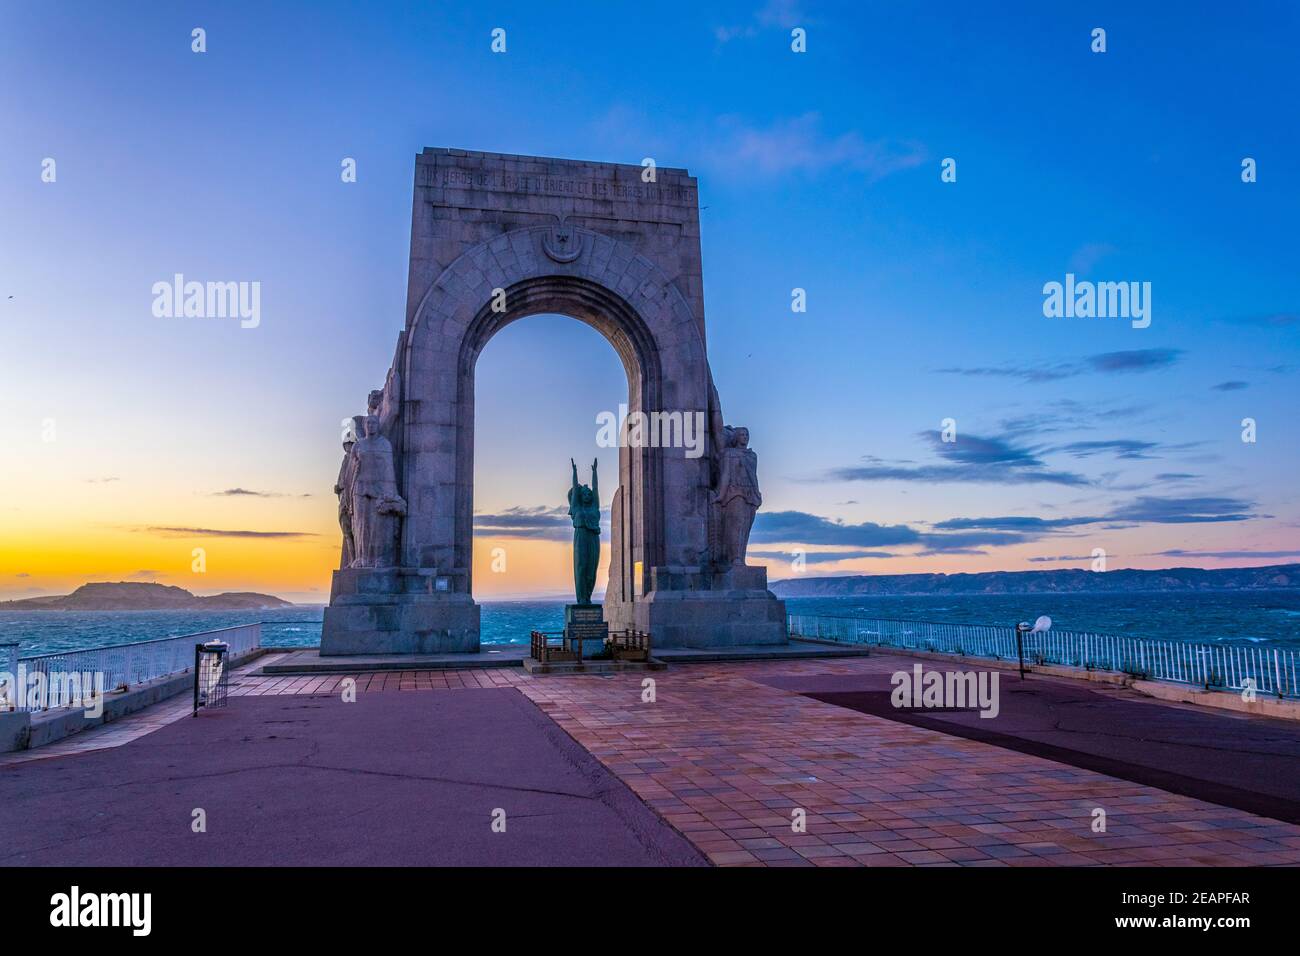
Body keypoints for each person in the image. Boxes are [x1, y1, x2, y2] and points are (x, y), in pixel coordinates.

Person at [568, 458, 600, 604]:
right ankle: (581, 598)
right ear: (581, 497)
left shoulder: (594, 508)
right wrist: (574, 472)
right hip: (581, 537)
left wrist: (595, 472)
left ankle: (588, 597)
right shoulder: (576, 508)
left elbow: (596, 488)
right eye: (585, 494)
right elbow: (575, 489)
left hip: (593, 538)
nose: (588, 495)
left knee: (592, 570)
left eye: (589, 494)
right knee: (581, 566)